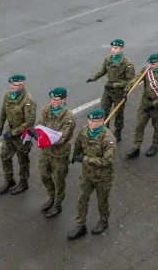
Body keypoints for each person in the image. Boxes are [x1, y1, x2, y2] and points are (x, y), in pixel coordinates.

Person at [68, 108, 116, 240]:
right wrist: (75, 155)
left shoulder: (108, 138)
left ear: (101, 121)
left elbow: (108, 160)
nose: (90, 122)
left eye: (93, 121)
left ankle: (104, 221)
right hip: (87, 174)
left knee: (102, 201)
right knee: (82, 198)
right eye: (89, 119)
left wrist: (85, 159)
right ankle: (80, 225)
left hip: (102, 177)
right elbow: (78, 143)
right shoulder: (85, 130)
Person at [36, 87, 76, 219]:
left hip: (59, 154)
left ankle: (57, 205)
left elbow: (62, 138)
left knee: (59, 180)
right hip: (46, 151)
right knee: (44, 175)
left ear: (64, 100)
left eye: (56, 100)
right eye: (51, 99)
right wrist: (37, 134)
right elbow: (40, 125)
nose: (53, 102)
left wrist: (44, 137)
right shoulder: (47, 109)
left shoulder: (68, 117)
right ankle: (52, 197)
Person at [86, 38, 137, 143]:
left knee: (118, 113)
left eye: (116, 48)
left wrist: (117, 86)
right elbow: (103, 70)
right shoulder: (108, 59)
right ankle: (105, 132)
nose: (113, 50)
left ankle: (118, 131)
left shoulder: (127, 63)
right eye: (112, 47)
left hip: (119, 93)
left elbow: (131, 81)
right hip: (108, 91)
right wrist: (94, 77)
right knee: (104, 112)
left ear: (121, 49)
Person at [125, 53, 158, 159]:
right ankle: (136, 147)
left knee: (157, 127)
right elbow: (136, 79)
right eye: (150, 63)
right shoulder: (146, 70)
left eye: (153, 64)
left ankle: (155, 145)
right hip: (145, 102)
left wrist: (153, 104)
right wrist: (127, 89)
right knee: (139, 125)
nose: (151, 66)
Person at [0, 74, 37, 195]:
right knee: (5, 156)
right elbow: (3, 110)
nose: (11, 86)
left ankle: (23, 183)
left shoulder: (28, 100)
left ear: (22, 85)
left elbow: (29, 122)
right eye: (11, 84)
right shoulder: (8, 95)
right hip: (9, 131)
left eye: (15, 85)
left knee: (22, 161)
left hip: (22, 136)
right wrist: (0, 124)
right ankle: (9, 181)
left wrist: (13, 133)